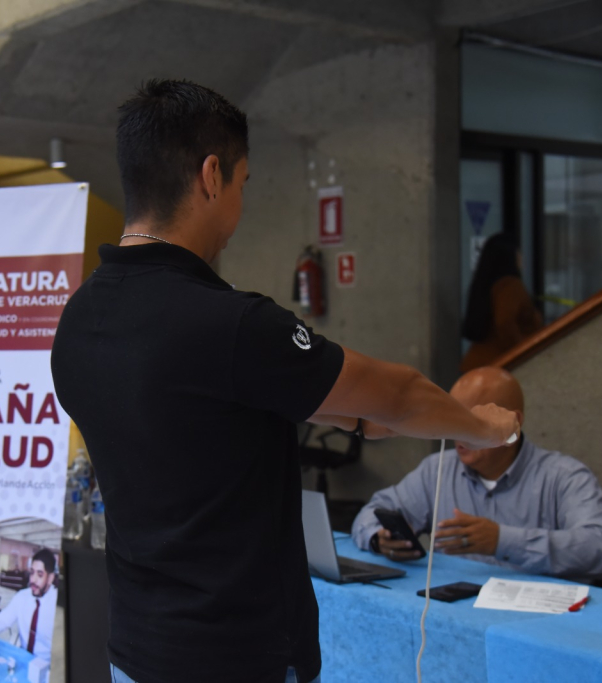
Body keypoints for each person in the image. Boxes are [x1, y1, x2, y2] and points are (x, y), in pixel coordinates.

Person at [51, 79, 519, 683]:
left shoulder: (79, 320)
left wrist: (363, 415)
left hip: (136, 649)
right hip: (237, 657)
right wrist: (481, 427)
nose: (241, 206)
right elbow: (398, 395)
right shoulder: (229, 325)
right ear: (212, 176)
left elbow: (214, 410)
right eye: (243, 183)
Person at [352, 366, 602, 582]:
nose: (455, 431)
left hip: (536, 621)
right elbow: (371, 513)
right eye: (450, 418)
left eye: (469, 420)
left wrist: (502, 541)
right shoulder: (438, 469)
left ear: (513, 421)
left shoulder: (563, 477)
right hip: (452, 611)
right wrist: (379, 539)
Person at [460, 233, 542, 372]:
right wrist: (523, 352)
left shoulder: (487, 285)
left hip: (477, 365)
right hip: (497, 367)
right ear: (510, 256)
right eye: (518, 252)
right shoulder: (510, 286)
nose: (521, 257)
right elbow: (504, 323)